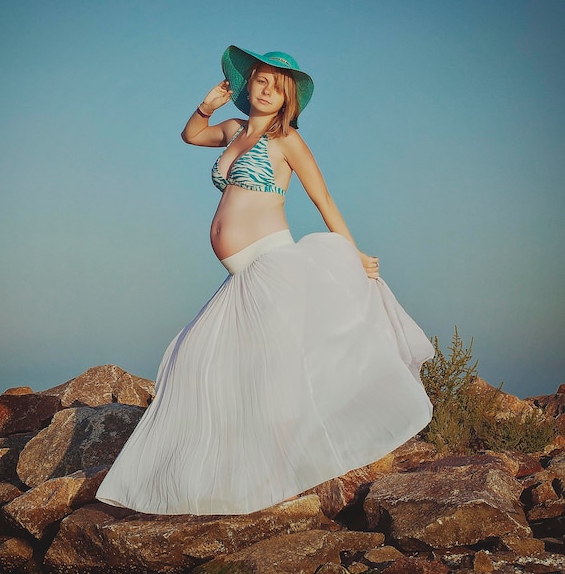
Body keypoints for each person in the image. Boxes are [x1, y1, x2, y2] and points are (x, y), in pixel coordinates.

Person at [96, 46, 433, 515]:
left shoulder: (287, 140)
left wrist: (352, 251)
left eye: (278, 83)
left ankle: (283, 475)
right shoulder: (234, 130)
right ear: (248, 86)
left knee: (271, 372)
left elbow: (324, 199)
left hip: (274, 266)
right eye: (260, 79)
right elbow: (191, 134)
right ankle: (227, 475)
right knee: (197, 361)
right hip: (243, 276)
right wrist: (208, 103)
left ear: (288, 97)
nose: (267, 87)